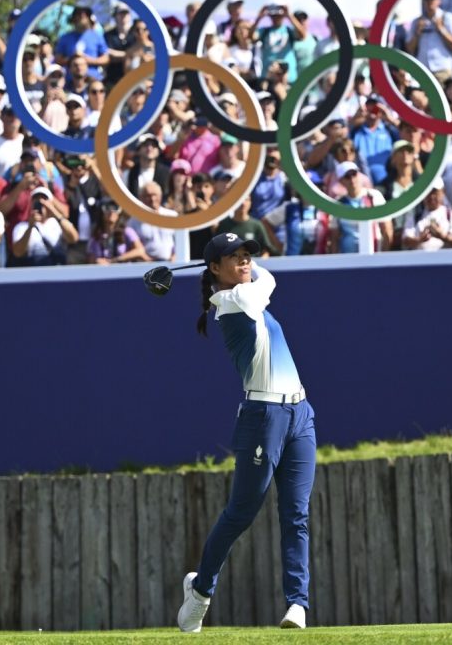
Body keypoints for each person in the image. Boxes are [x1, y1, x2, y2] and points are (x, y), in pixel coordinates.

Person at [177, 233, 316, 633]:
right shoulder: (232, 303)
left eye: (246, 256)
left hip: (301, 413)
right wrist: (244, 272)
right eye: (233, 258)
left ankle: (297, 605)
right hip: (263, 416)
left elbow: (261, 275)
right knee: (242, 512)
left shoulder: (244, 291)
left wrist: (236, 264)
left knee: (296, 513)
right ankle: (200, 591)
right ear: (214, 270)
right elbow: (268, 281)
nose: (244, 262)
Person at [9, 187, 78, 266]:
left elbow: (73, 238)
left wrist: (55, 213)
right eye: (36, 200)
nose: (40, 203)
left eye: (44, 199)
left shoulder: (58, 224)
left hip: (57, 271)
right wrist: (30, 227)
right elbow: (18, 252)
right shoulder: (22, 226)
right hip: (33, 272)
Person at [406, 0, 452, 81]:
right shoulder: (417, 22)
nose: (430, 1)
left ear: (439, 0)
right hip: (422, 70)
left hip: (443, 69)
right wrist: (417, 33)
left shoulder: (447, 17)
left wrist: (441, 29)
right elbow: (409, 48)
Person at [54, 6, 108, 79]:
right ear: (73, 18)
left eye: (85, 14)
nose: (81, 16)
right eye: (78, 14)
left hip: (93, 81)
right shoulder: (65, 37)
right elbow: (57, 59)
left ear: (89, 18)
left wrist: (88, 60)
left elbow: (106, 58)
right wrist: (73, 59)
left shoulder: (97, 36)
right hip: (70, 82)